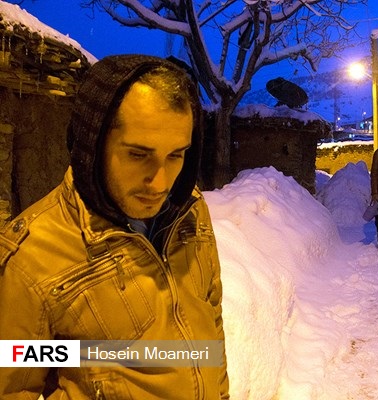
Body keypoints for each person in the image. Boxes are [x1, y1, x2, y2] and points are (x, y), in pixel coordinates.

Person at [0, 55, 229, 399]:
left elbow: (211, 328)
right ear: (92, 144)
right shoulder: (32, 258)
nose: (160, 183)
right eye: (138, 154)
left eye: (176, 155)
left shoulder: (190, 213)